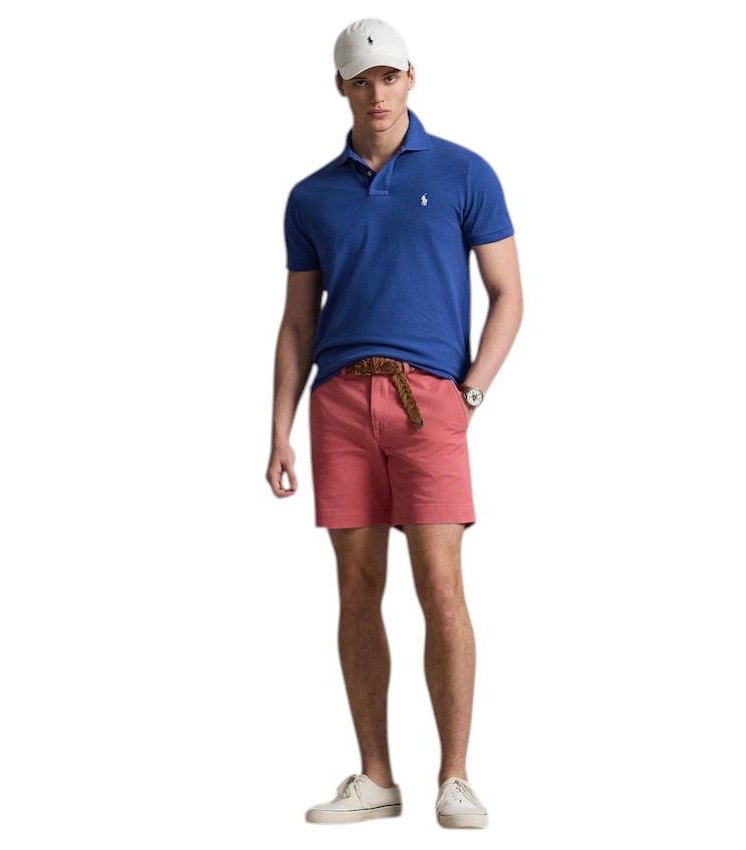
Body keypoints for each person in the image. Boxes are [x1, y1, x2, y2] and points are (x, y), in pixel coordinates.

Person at [266, 17, 523, 829]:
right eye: (360, 80)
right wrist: (279, 429)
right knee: (356, 589)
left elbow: (509, 295)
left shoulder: (464, 172)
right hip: (340, 403)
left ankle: (456, 776)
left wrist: (469, 394)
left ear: (411, 77)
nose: (376, 93)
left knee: (440, 584)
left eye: (388, 76)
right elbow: (298, 324)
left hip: (428, 402)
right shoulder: (311, 196)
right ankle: (376, 778)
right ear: (340, 88)